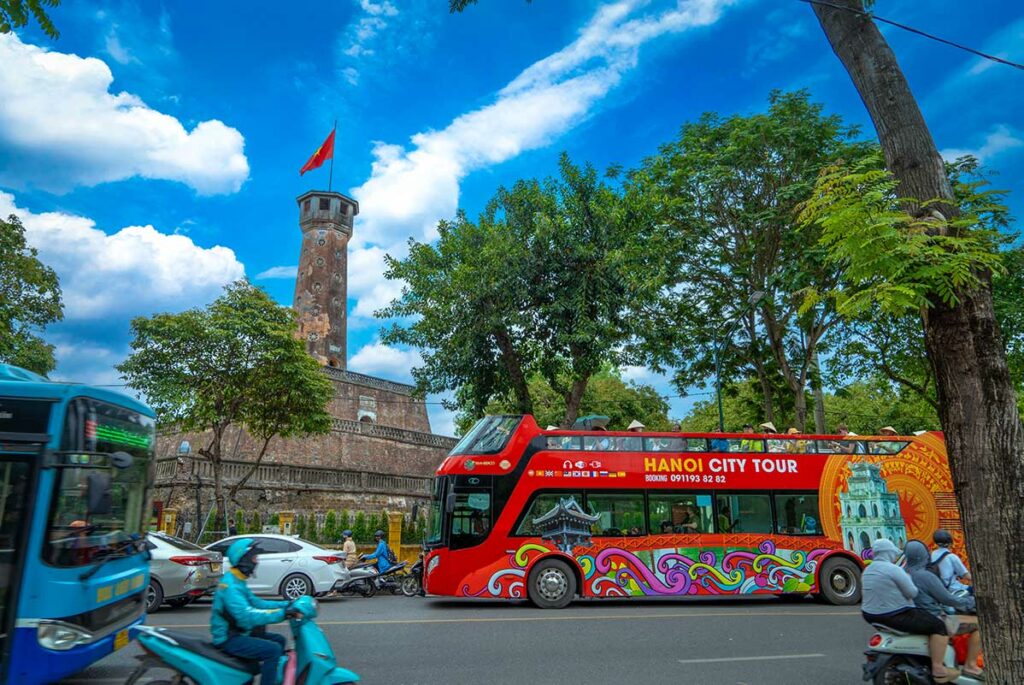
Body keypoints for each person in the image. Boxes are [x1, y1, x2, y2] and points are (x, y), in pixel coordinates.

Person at [861, 538, 960, 683]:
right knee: (939, 627)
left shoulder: (868, 570)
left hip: (870, 615)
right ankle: (938, 667)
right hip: (895, 614)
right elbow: (912, 593)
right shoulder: (893, 569)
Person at [211, 538, 291, 685]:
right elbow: (246, 615)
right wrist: (283, 614)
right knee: (273, 650)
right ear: (244, 559)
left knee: (279, 640)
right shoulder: (230, 586)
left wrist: (287, 605)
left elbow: (256, 603)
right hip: (229, 638)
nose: (257, 562)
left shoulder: (237, 580)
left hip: (240, 631)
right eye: (254, 558)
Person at [904, 540, 983, 680]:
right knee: (979, 625)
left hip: (917, 616)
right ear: (924, 555)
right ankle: (970, 665)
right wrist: (971, 603)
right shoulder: (925, 576)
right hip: (934, 616)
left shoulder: (904, 573)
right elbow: (947, 599)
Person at [931, 529, 972, 594]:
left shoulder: (932, 555)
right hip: (953, 589)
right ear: (950, 543)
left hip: (938, 591)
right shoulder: (952, 557)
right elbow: (966, 575)